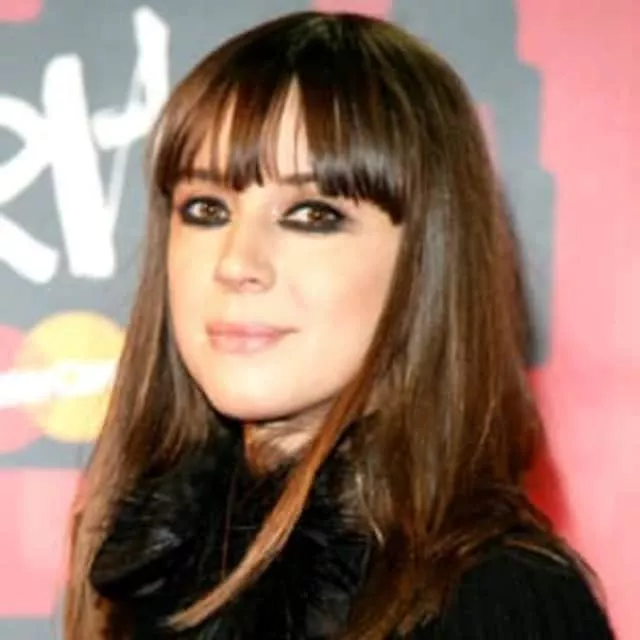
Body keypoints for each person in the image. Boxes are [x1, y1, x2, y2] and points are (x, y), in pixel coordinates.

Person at [63, 11, 615, 639]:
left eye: (312, 215)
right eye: (207, 209)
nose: (236, 263)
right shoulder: (149, 561)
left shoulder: (499, 599)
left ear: (425, 263)